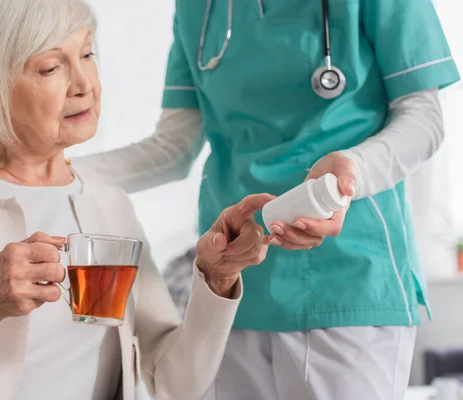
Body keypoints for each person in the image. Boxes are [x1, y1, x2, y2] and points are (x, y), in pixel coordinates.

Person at [0, 1, 273, 399]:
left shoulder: (107, 201)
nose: (84, 85)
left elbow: (175, 383)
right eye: (51, 67)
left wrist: (216, 280)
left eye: (88, 54)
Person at [73, 0, 461, 398]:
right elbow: (174, 146)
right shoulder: (196, 7)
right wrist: (47, 172)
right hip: (231, 287)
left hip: (348, 282)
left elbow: (423, 118)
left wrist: (352, 169)